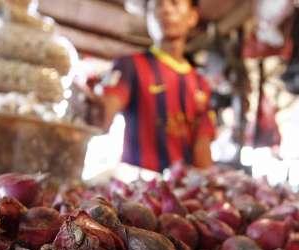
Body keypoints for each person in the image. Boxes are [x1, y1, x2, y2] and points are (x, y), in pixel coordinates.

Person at [91, 0, 216, 172]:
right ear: (148, 18)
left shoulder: (202, 84)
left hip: (182, 192)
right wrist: (93, 107)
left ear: (192, 17)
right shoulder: (129, 66)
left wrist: (209, 187)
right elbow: (102, 117)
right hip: (136, 188)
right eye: (157, 5)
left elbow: (202, 148)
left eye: (174, 3)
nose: (165, 10)